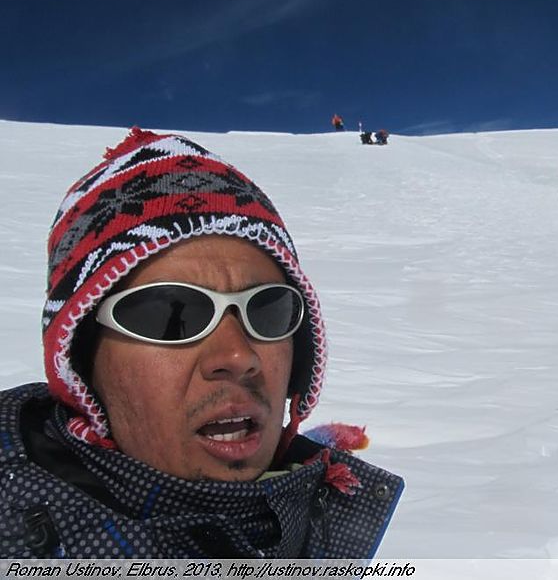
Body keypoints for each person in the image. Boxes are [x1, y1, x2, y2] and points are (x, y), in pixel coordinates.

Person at [0, 127, 403, 558]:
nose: (239, 356)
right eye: (170, 315)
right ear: (79, 360)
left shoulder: (319, 518)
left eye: (267, 310)